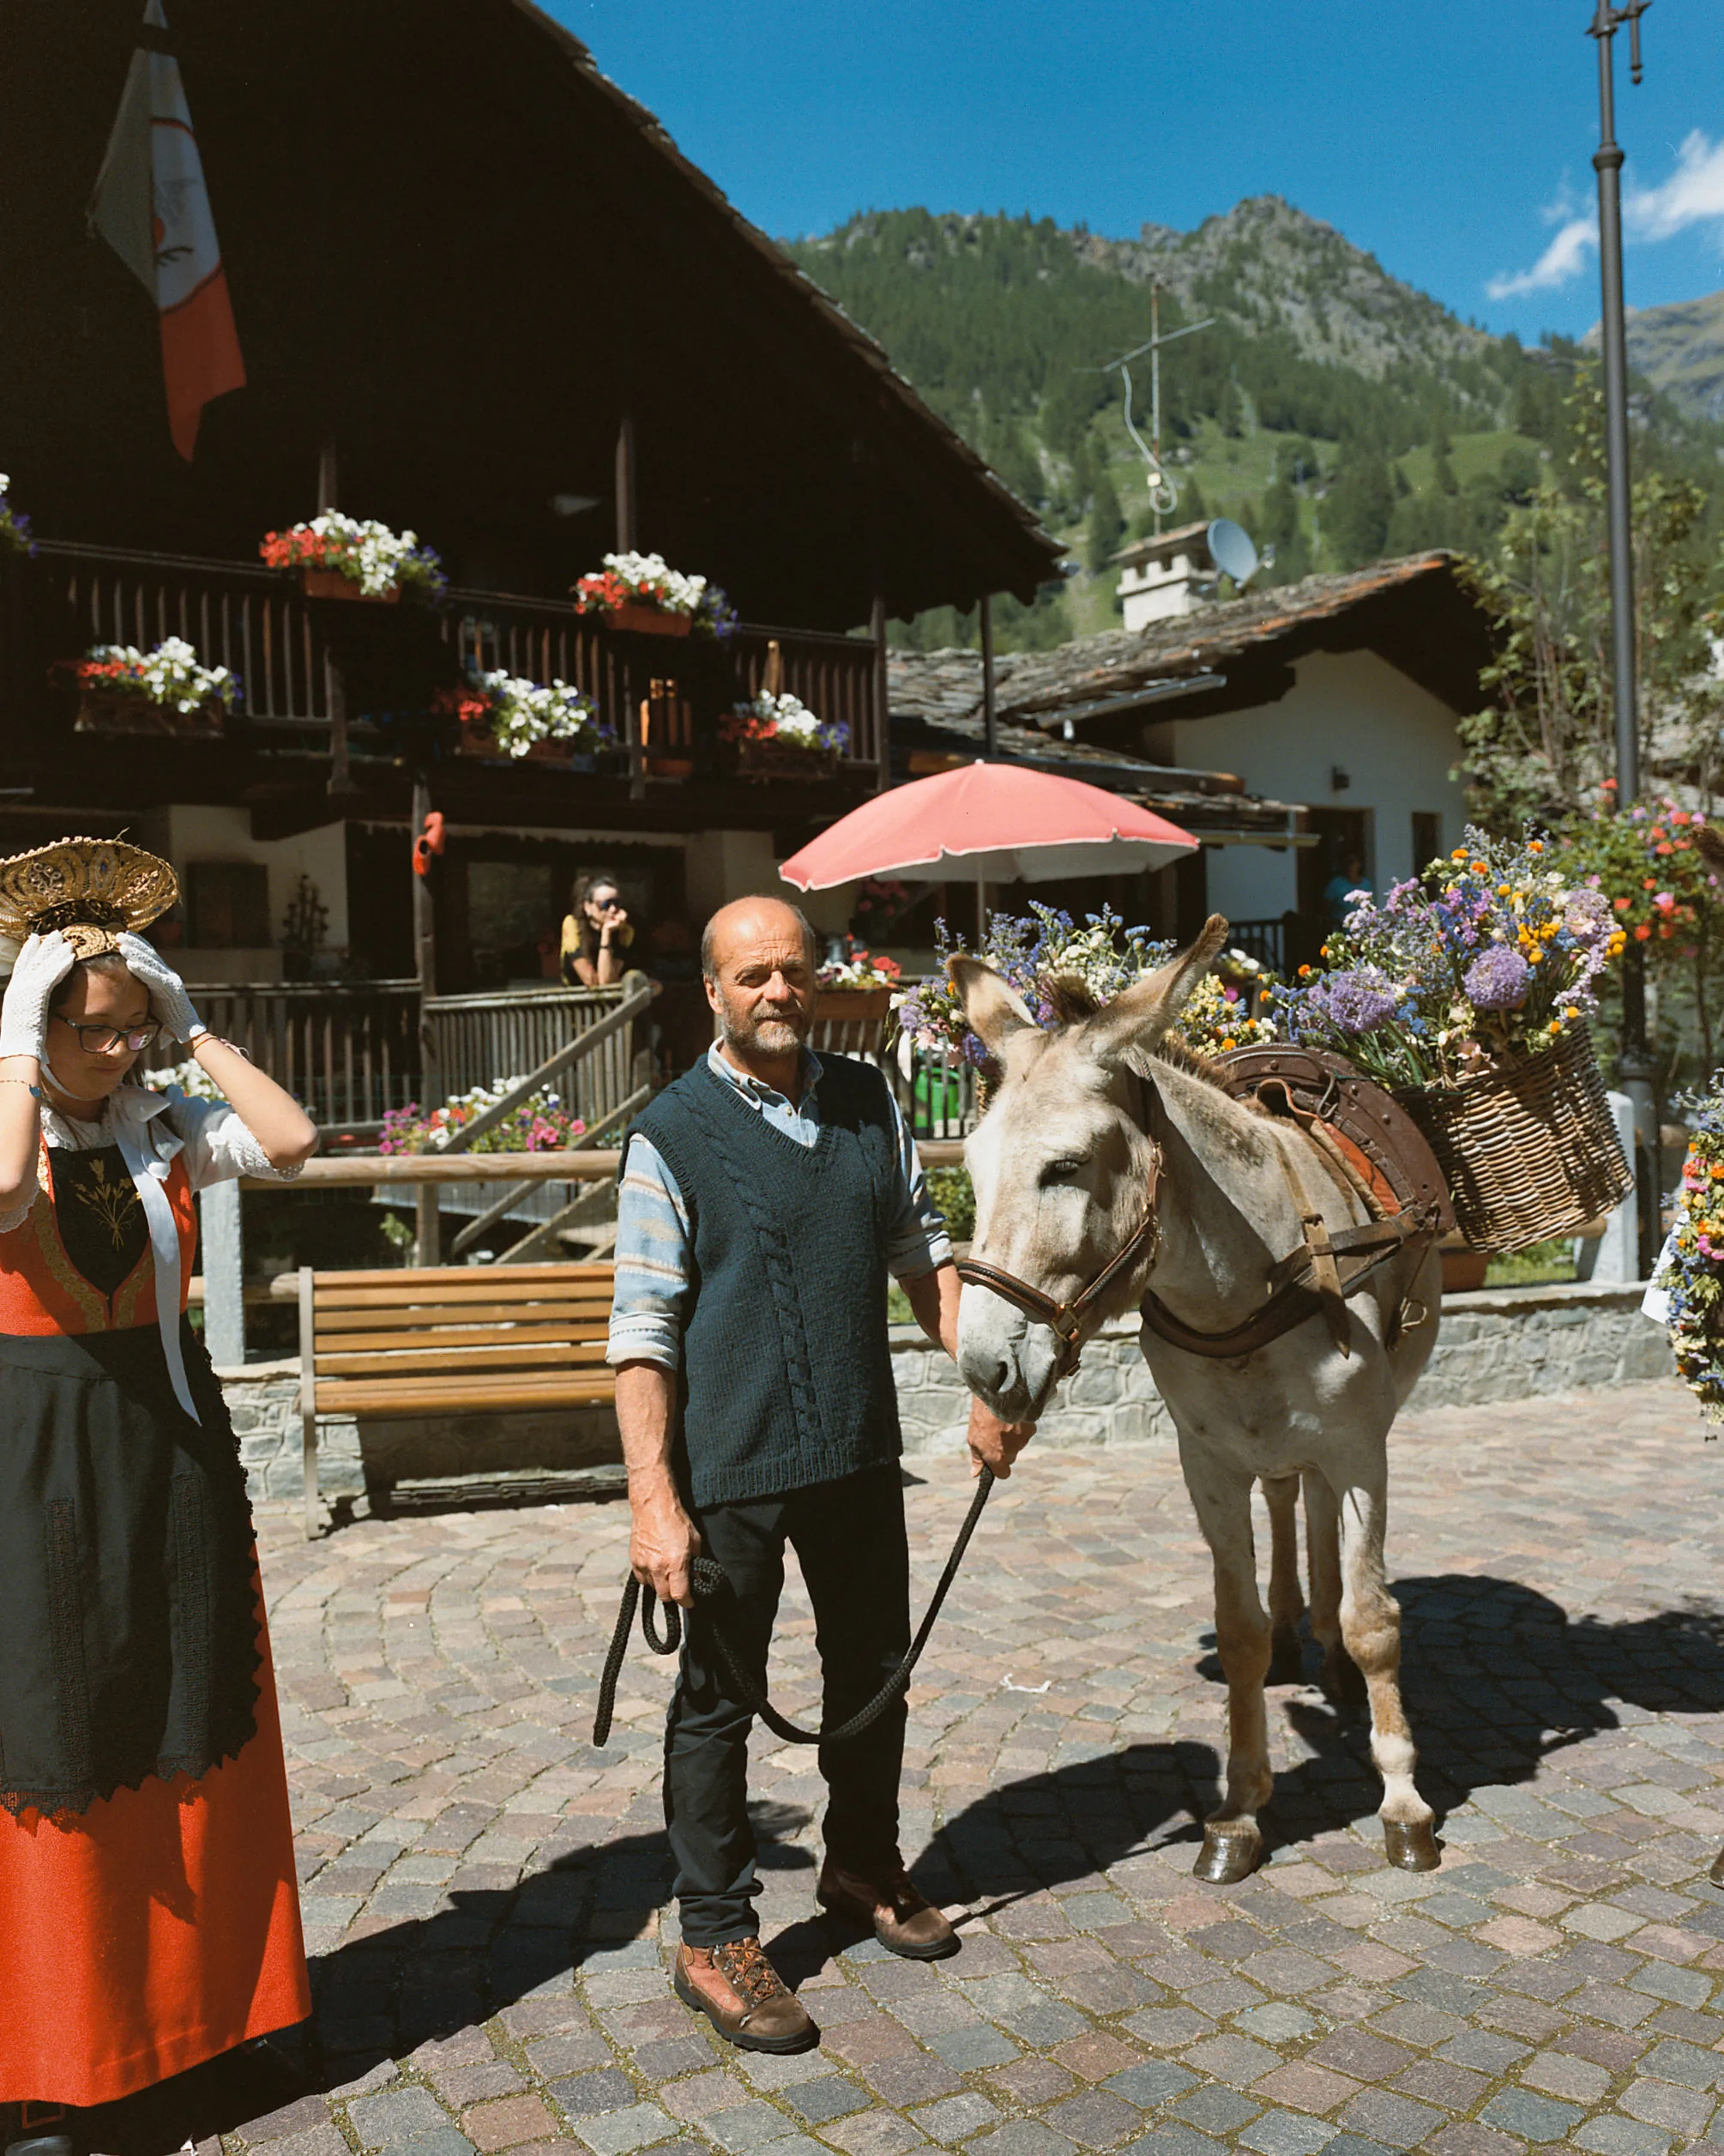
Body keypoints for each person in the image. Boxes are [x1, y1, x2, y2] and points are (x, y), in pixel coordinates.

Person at [609, 894, 1032, 2056]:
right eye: (752, 975)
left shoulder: (866, 1099)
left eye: (792, 970)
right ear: (712, 992)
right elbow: (641, 1333)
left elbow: (922, 1252)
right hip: (730, 1467)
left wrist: (989, 1384)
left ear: (819, 978)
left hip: (856, 1449)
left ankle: (859, 1863)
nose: (777, 991)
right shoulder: (670, 1134)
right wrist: (653, 1501)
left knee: (874, 1672)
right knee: (717, 1701)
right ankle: (713, 1934)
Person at [0, 838, 318, 2156]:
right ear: (38, 1024)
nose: (115, 1051)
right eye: (93, 1029)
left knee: (194, 1719)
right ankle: (56, 2063)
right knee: (55, 1741)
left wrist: (189, 1027)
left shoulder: (161, 1122)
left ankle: (205, 2027)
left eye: (129, 1026)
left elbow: (292, 1140)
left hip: (169, 1454)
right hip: (31, 1462)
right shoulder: (7, 1116)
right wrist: (15, 1042)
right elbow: (1, 1195)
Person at [561, 868, 634, 987]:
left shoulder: (625, 931)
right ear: (588, 907)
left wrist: (606, 933)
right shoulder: (573, 925)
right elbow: (591, 981)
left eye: (617, 903)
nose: (613, 909)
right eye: (605, 905)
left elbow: (606, 982)